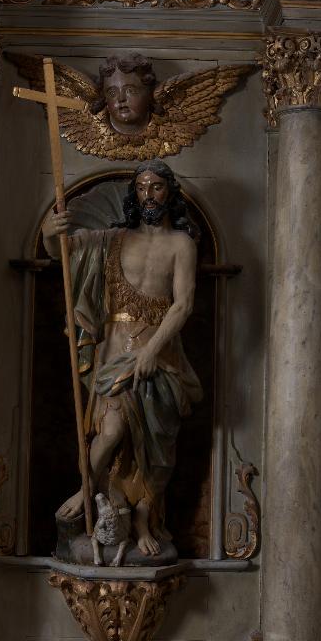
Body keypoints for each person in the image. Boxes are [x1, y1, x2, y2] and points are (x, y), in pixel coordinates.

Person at [42, 160, 202, 556]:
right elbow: (64, 256)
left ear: (170, 192)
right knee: (111, 433)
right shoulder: (111, 240)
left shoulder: (182, 244)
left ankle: (144, 519)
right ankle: (86, 492)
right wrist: (49, 234)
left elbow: (182, 305)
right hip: (114, 353)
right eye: (143, 187)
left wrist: (151, 349)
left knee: (155, 449)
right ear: (135, 194)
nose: (149, 193)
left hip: (160, 358)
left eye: (157, 186)